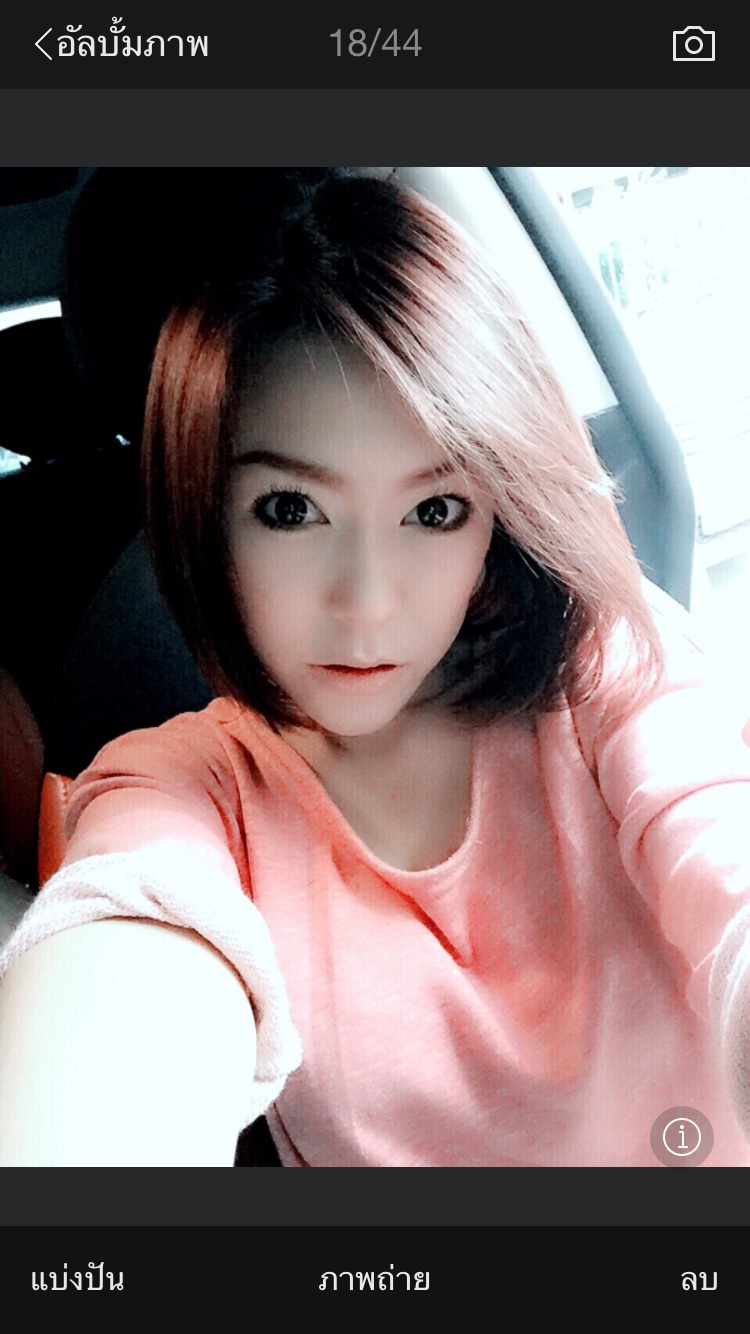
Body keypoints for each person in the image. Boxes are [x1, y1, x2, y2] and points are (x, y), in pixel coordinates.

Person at [0, 168, 749, 1166]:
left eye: (434, 510)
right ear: (202, 516)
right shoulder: (180, 790)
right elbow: (126, 963)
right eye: (289, 510)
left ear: (498, 515)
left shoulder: (608, 670)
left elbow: (721, 840)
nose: (367, 601)